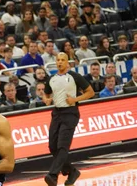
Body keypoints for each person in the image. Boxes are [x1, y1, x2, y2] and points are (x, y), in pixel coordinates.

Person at [43, 53, 95, 186]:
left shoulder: (74, 76)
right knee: (52, 146)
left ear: (67, 62)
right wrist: (46, 99)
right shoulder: (51, 78)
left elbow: (90, 92)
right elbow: (46, 93)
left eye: (62, 60)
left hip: (70, 113)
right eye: (58, 60)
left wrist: (75, 100)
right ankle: (72, 172)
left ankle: (53, 175)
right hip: (56, 113)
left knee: (62, 146)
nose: (60, 62)